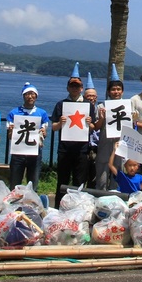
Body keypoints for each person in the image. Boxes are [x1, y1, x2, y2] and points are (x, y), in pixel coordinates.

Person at [51, 63, 98, 206]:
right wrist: (60, 123)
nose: (74, 88)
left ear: (81, 88)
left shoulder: (88, 105)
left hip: (82, 149)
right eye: (72, 86)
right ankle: (59, 207)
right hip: (64, 149)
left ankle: (77, 207)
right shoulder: (61, 104)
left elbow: (92, 128)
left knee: (79, 181)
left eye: (77, 86)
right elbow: (53, 127)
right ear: (68, 88)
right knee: (62, 180)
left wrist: (90, 123)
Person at [6, 82, 50, 190]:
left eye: (32, 94)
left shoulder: (42, 113)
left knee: (33, 183)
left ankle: (31, 200)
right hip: (18, 153)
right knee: (14, 184)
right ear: (23, 96)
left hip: (35, 152)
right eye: (27, 94)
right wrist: (11, 131)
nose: (30, 96)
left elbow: (44, 133)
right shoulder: (13, 113)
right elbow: (10, 136)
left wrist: (44, 133)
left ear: (36, 96)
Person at [95, 65, 125, 191]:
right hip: (104, 143)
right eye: (113, 89)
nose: (116, 92)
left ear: (122, 91)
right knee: (101, 177)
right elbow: (96, 127)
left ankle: (116, 198)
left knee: (117, 176)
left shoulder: (127, 106)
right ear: (108, 92)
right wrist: (101, 118)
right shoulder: (101, 106)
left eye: (118, 89)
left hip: (120, 144)